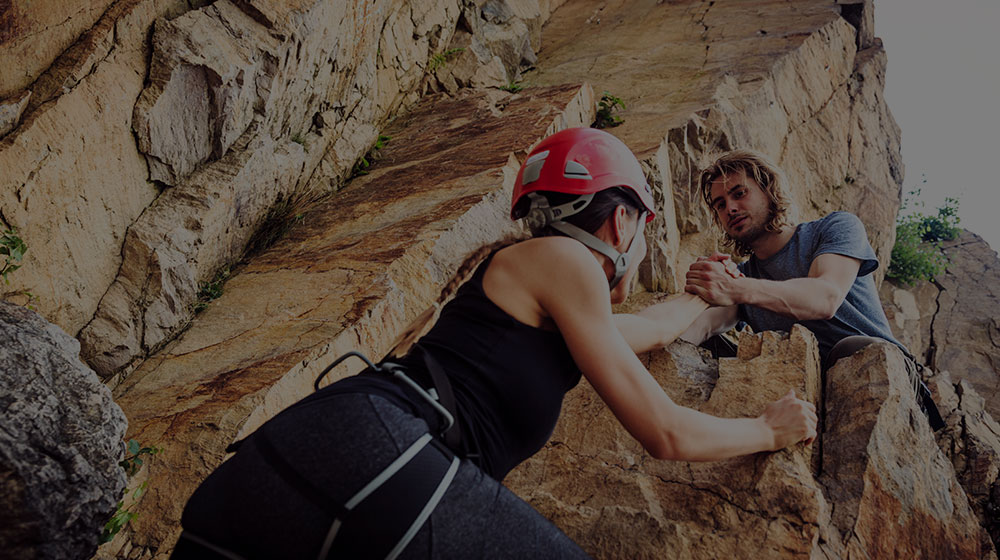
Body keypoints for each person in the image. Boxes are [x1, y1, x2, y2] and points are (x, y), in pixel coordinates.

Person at [171, 129, 817, 560]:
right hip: (375, 456)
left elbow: (643, 332)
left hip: (297, 470)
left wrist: (706, 292)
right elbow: (666, 433)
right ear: (622, 221)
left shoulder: (540, 289)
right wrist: (768, 430)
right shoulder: (564, 262)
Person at [681, 149, 942, 426]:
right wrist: (698, 293)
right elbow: (699, 327)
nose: (730, 209)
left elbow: (824, 298)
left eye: (739, 193)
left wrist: (735, 288)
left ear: (769, 190)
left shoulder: (834, 228)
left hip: (886, 378)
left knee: (851, 348)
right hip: (804, 393)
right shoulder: (743, 278)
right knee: (709, 350)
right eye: (720, 204)